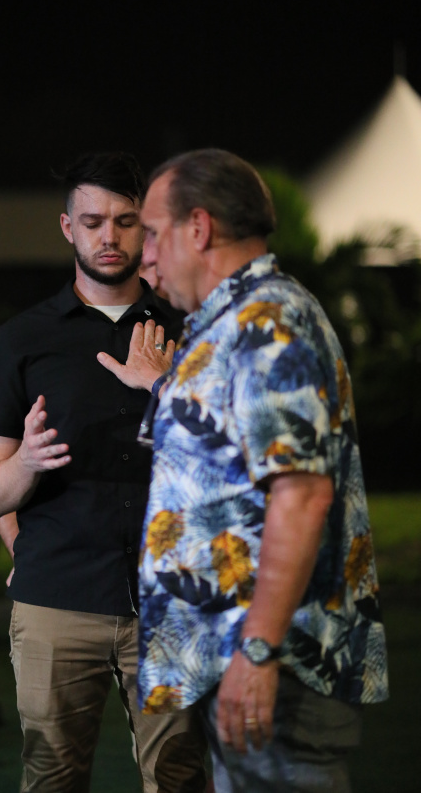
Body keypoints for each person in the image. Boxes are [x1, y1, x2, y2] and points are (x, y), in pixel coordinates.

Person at [98, 149, 389, 792]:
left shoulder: (268, 321)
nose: (144, 256)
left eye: (153, 233)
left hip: (275, 665)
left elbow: (301, 494)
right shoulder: (234, 322)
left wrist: (257, 650)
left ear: (199, 228)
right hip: (245, 660)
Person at [0, 152, 208, 792]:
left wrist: (170, 391)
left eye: (125, 222)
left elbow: (231, 462)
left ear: (145, 228)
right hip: (58, 596)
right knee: (52, 777)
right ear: (67, 227)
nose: (110, 236)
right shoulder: (21, 340)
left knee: (180, 778)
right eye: (93, 221)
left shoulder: (191, 331)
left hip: (172, 595)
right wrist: (26, 463)